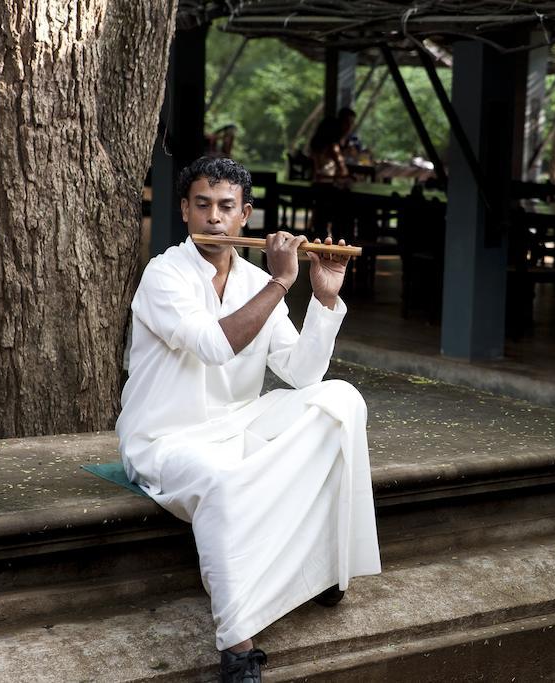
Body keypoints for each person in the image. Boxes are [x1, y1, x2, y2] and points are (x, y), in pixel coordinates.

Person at [116, 157, 381, 683]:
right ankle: (238, 648)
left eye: (227, 207)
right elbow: (215, 345)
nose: (214, 218)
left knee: (340, 400)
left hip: (237, 424)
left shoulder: (257, 279)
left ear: (246, 216)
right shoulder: (164, 274)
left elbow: (301, 373)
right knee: (221, 481)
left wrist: (324, 300)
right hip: (165, 440)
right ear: (185, 210)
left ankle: (327, 563)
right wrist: (283, 282)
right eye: (203, 205)